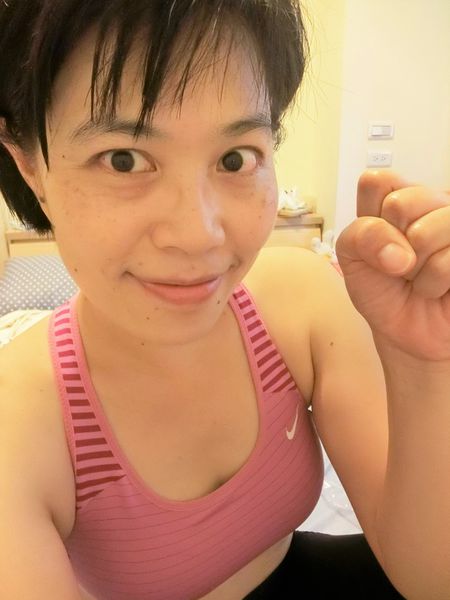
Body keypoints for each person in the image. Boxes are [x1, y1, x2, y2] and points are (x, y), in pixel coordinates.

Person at [0, 1, 448, 599]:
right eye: (124, 160)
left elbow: (430, 579)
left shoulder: (300, 303)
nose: (199, 235)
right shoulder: (20, 425)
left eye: (235, 158)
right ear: (30, 167)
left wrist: (423, 364)